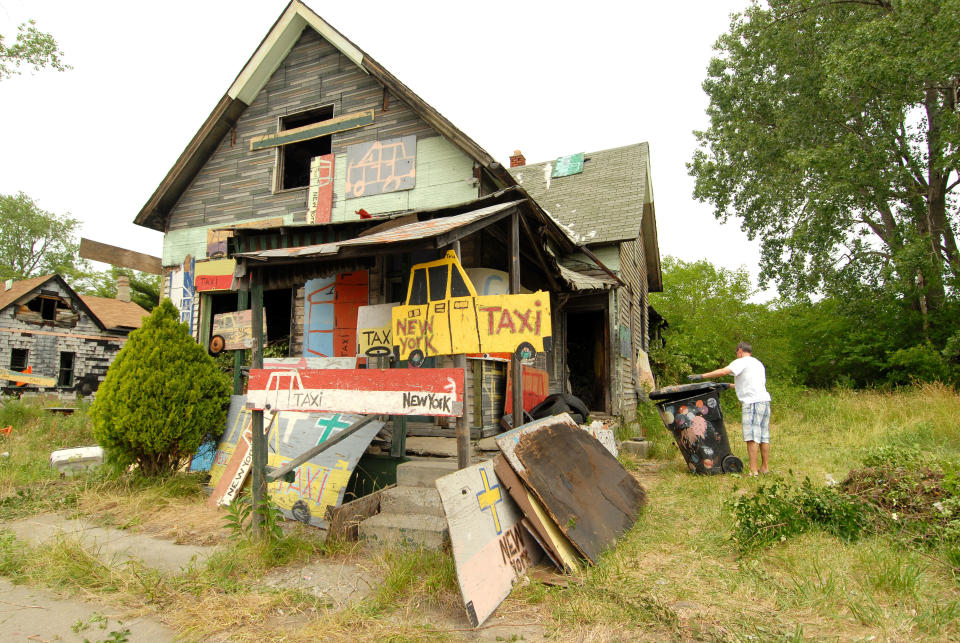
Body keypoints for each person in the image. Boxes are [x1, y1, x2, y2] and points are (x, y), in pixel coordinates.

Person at [688, 342, 771, 476]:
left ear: (739, 351)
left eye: (736, 353)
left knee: (752, 437)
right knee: (763, 436)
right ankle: (764, 468)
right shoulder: (757, 363)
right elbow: (748, 383)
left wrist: (702, 376)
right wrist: (728, 385)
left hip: (752, 403)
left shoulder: (742, 361)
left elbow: (724, 371)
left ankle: (753, 471)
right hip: (764, 402)